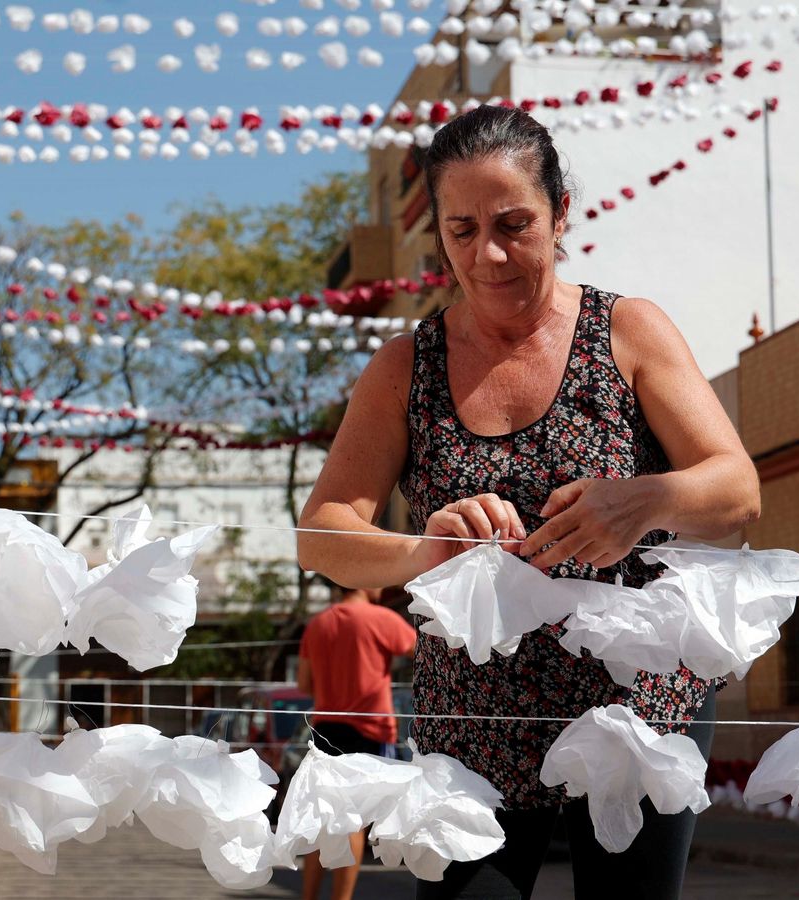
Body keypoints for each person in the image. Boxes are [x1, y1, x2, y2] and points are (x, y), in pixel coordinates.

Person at [296, 105, 760, 900]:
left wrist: (642, 499)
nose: (491, 253)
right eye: (462, 229)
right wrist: (423, 551)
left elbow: (736, 490)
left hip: (635, 710)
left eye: (514, 223)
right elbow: (321, 531)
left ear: (561, 214)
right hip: (476, 718)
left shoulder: (630, 330)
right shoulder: (405, 365)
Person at [296, 583, 418, 900]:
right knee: (353, 823)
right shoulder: (381, 618)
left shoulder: (318, 623)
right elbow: (425, 653)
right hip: (369, 731)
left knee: (325, 820)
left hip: (325, 731)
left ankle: (308, 896)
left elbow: (304, 683)